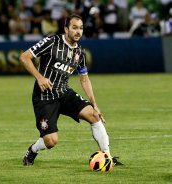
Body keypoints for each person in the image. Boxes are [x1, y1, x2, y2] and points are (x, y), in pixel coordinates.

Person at [20, 14, 122, 166]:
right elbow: (24, 57)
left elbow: (84, 79)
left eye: (80, 28)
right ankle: (33, 150)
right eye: (74, 28)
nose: (78, 31)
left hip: (64, 93)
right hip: (45, 97)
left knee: (94, 116)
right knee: (51, 141)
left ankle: (107, 157)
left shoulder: (80, 52)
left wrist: (94, 104)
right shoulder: (51, 42)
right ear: (66, 29)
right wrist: (39, 77)